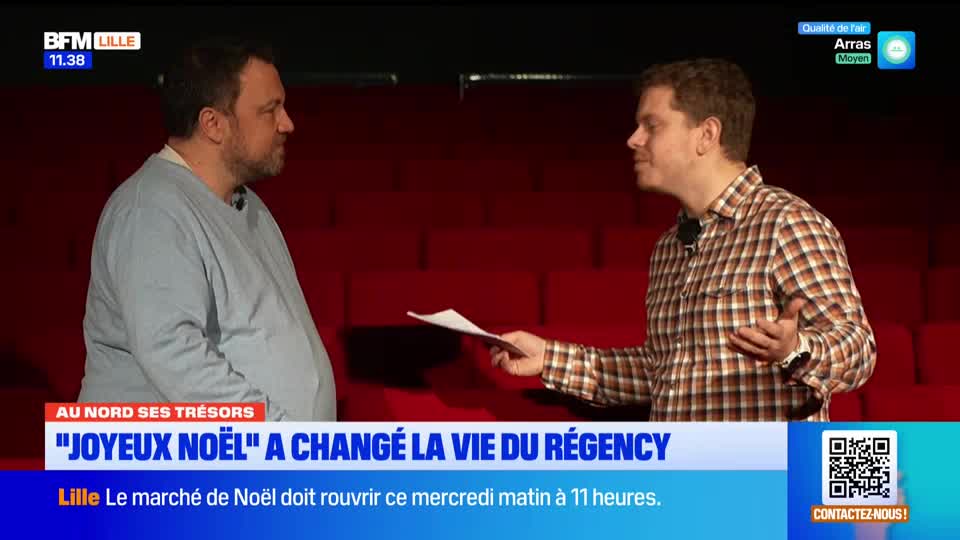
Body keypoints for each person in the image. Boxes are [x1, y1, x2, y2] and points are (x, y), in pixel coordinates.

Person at [490, 58, 876, 421]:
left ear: (706, 135)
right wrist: (548, 358)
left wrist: (795, 350)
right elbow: (662, 373)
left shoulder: (784, 223)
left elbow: (859, 351)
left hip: (766, 467)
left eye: (652, 125)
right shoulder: (669, 247)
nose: (633, 139)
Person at [78, 36, 336, 421]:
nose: (288, 123)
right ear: (213, 124)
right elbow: (174, 353)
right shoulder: (152, 208)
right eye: (270, 110)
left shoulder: (249, 205)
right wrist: (280, 435)